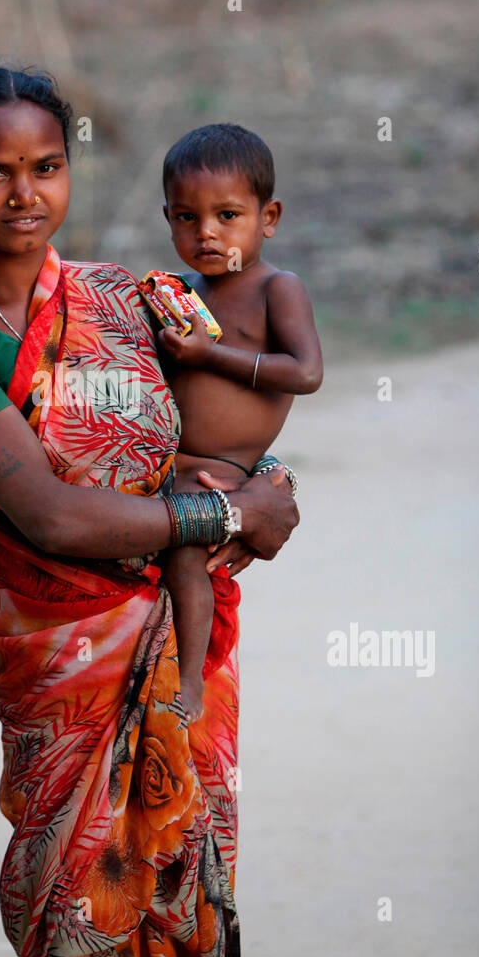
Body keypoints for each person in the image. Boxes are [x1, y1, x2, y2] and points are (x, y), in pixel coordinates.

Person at [0, 67, 298, 957]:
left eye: (45, 166)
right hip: (60, 658)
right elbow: (52, 518)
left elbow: (222, 432)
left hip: (175, 644)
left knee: (176, 887)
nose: (24, 193)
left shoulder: (129, 298)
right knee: (76, 908)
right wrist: (220, 518)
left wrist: (273, 491)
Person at [151, 124, 323, 723]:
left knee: (186, 558)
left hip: (222, 471)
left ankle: (191, 683)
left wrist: (211, 355)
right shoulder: (179, 292)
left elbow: (305, 372)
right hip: (165, 461)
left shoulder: (279, 288)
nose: (207, 234)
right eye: (186, 218)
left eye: (227, 215)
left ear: (267, 217)